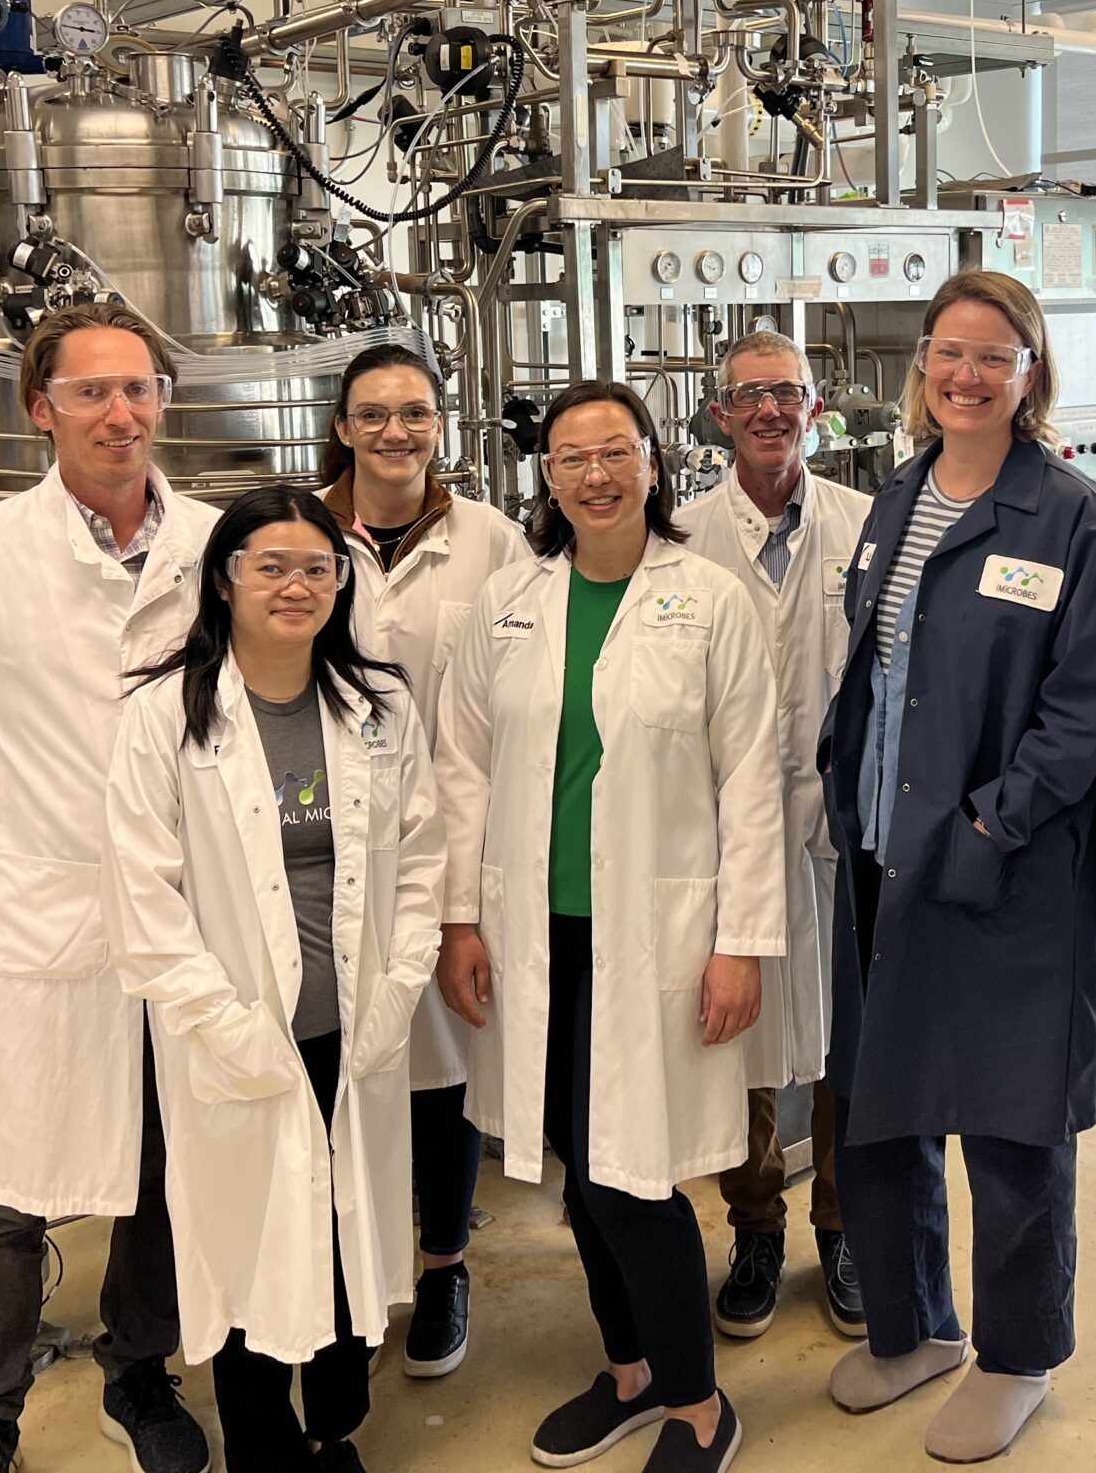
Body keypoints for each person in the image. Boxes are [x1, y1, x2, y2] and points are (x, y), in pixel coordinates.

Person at [0, 301, 219, 1473]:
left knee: (168, 1163)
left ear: (163, 403)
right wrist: (14, 845)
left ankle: (141, 1373)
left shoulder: (214, 546)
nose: (119, 413)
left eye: (138, 389)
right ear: (41, 411)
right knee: (5, 1185)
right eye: (91, 392)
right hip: (40, 917)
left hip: (183, 911)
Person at [433, 379, 785, 1473]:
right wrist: (457, 922)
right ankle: (631, 1373)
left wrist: (741, 942)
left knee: (629, 1175)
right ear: (545, 477)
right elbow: (461, 772)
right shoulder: (508, 602)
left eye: (615, 452)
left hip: (662, 939)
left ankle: (697, 1407)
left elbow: (752, 784)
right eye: (570, 457)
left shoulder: (712, 599)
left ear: (651, 464)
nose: (594, 475)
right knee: (574, 1170)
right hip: (539, 936)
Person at [820, 269, 1096, 1465]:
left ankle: (1015, 1357)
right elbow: (878, 675)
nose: (965, 375)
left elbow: (1081, 711)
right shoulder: (893, 498)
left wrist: (992, 825)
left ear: (1030, 375)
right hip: (882, 859)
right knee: (881, 1113)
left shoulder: (1070, 517)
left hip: (1006, 871)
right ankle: (912, 1329)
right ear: (922, 369)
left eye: (993, 357)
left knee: (1008, 1126)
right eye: (948, 353)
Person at [103, 485, 446, 1473]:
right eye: (272, 566)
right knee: (249, 1246)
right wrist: (223, 1020)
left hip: (356, 1025)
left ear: (341, 583)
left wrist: (403, 978)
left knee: (343, 1248)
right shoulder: (165, 715)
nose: (297, 586)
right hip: (237, 1039)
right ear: (225, 581)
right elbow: (144, 897)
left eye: (317, 568)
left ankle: (332, 1431)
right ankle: (261, 1446)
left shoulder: (373, 707)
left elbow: (421, 855)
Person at [322, 342, 528, 1379]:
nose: (394, 433)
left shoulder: (489, 540)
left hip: (455, 841)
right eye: (373, 414)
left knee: (441, 1069)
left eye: (414, 414)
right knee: (342, 1061)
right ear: (344, 425)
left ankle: (443, 1264)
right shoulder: (304, 533)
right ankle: (348, 1278)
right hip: (324, 842)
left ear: (441, 425)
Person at [679, 330, 871, 1342]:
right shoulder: (681, 537)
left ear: (815, 408)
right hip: (723, 833)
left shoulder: (864, 526)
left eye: (785, 393)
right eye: (747, 395)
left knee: (849, 1037)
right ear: (718, 415)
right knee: (734, 1032)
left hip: (841, 828)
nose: (767, 411)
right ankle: (756, 1224)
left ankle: (841, 1228)